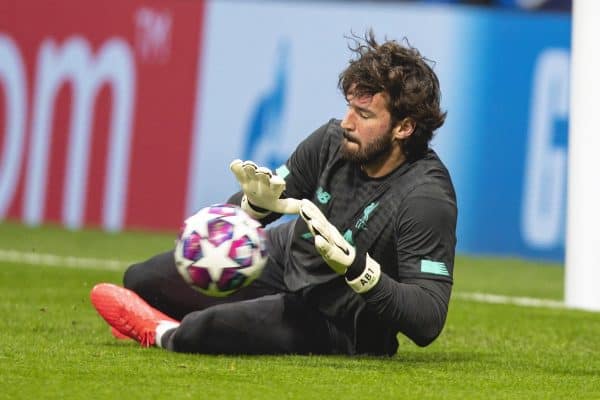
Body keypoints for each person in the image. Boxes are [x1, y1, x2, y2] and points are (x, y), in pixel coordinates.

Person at [91, 30, 457, 356]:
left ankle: (164, 332)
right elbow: (258, 208)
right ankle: (178, 316)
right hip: (286, 260)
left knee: (205, 329)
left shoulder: (426, 198)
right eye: (349, 107)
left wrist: (358, 269)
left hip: (340, 318)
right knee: (142, 280)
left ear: (404, 128)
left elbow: (427, 320)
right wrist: (249, 208)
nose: (347, 122)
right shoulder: (331, 142)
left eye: (363, 114)